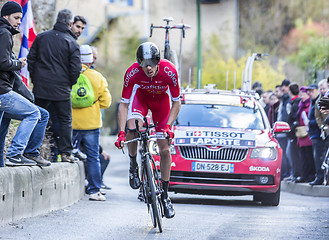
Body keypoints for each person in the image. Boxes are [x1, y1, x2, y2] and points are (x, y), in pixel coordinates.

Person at [115, 42, 181, 219]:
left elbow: (177, 102)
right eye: (144, 64)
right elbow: (123, 104)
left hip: (162, 104)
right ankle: (133, 164)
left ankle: (166, 196)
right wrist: (121, 132)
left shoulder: (169, 71)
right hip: (141, 100)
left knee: (165, 149)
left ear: (158, 61)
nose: (148, 67)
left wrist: (168, 125)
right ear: (139, 63)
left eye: (152, 63)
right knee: (133, 128)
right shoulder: (132, 72)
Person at [27, 9, 81, 163]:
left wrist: (35, 79)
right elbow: (75, 69)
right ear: (70, 23)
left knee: (36, 117)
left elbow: (31, 59)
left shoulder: (42, 37)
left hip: (41, 87)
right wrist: (69, 83)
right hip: (62, 89)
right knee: (65, 120)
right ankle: (65, 153)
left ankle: (30, 150)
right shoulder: (72, 43)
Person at [0, 1, 47, 166]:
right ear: (5, 16)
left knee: (2, 131)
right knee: (34, 113)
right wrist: (19, 64)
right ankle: (14, 155)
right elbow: (3, 63)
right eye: (16, 17)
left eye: (21, 18)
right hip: (3, 91)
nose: (19, 21)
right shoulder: (4, 33)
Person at [72, 44, 111, 201]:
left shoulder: (69, 74)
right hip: (91, 123)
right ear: (90, 60)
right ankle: (95, 190)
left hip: (72, 122)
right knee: (93, 156)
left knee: (68, 153)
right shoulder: (98, 77)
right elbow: (107, 102)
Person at [295, 86, 315, 183]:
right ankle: (304, 175)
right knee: (302, 157)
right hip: (301, 134)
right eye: (301, 94)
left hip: (308, 135)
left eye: (304, 94)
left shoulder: (310, 105)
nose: (302, 96)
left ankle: (310, 175)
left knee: (309, 156)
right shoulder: (301, 105)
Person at [307, 84, 326, 185]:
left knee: (320, 157)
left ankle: (321, 177)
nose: (310, 93)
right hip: (315, 133)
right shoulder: (314, 102)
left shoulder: (320, 101)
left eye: (312, 91)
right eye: (309, 91)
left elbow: (321, 117)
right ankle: (319, 176)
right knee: (317, 157)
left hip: (320, 133)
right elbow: (317, 117)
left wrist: (310, 123)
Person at [276, 79, 292, 180]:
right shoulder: (283, 100)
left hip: (284, 131)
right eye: (283, 86)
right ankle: (284, 173)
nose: (283, 88)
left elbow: (287, 116)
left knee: (286, 154)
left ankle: (286, 173)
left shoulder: (288, 100)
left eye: (286, 86)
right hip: (280, 132)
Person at [286, 83, 301, 182]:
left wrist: (290, 129)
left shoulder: (295, 104)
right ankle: (294, 173)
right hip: (293, 133)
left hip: (294, 134)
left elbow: (294, 118)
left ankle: (296, 174)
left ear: (289, 91)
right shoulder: (295, 102)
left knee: (293, 155)